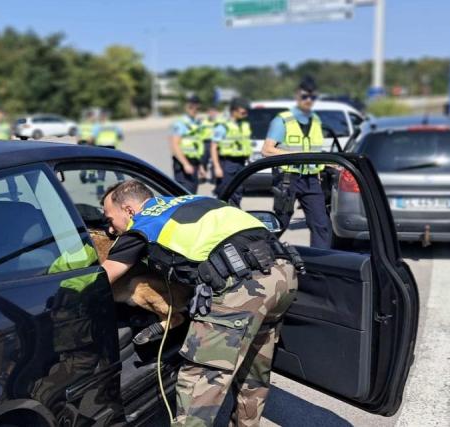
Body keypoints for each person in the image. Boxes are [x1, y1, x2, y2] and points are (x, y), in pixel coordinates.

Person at [100, 179, 301, 426]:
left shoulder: (142, 224)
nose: (110, 230)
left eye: (110, 220)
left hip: (244, 290)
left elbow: (103, 278)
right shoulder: (193, 200)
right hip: (284, 273)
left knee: (199, 383)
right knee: (253, 373)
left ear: (129, 210)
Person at [262, 76, 332, 249]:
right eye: (304, 96)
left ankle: (320, 264)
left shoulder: (316, 120)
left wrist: (323, 168)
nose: (308, 100)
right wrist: (296, 154)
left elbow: (314, 150)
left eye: (312, 97)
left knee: (321, 224)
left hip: (311, 180)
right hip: (288, 179)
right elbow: (267, 150)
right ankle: (265, 254)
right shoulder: (282, 120)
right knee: (281, 222)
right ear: (297, 96)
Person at [211, 98, 252, 205]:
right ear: (234, 111)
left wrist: (248, 160)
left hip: (241, 163)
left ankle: (234, 211)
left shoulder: (244, 125)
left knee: (238, 191)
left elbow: (244, 144)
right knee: (225, 192)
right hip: (227, 163)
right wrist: (217, 167)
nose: (245, 114)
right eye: (243, 112)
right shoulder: (223, 126)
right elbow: (213, 147)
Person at [171, 96, 206, 193]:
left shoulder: (196, 123)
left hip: (194, 164)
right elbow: (175, 145)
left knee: (192, 195)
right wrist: (185, 164)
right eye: (191, 107)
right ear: (186, 107)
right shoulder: (180, 123)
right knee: (184, 195)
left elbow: (196, 147)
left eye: (197, 108)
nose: (194, 110)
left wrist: (200, 166)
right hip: (183, 166)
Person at [199, 105, 221, 183]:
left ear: (216, 113)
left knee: (214, 161)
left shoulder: (219, 122)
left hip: (215, 143)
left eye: (213, 112)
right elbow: (199, 132)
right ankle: (203, 177)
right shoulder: (204, 122)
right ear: (208, 113)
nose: (212, 114)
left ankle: (214, 178)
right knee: (203, 160)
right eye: (210, 112)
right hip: (206, 143)